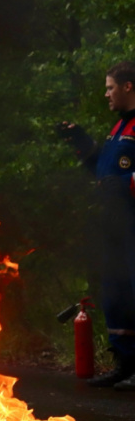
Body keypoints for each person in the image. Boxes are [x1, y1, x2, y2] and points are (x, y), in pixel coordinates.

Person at [58, 61, 135, 389]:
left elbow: (123, 179)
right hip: (114, 227)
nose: (106, 94)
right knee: (115, 293)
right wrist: (80, 140)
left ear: (128, 86)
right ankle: (125, 364)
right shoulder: (118, 128)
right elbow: (103, 171)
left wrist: (128, 183)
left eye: (110, 87)